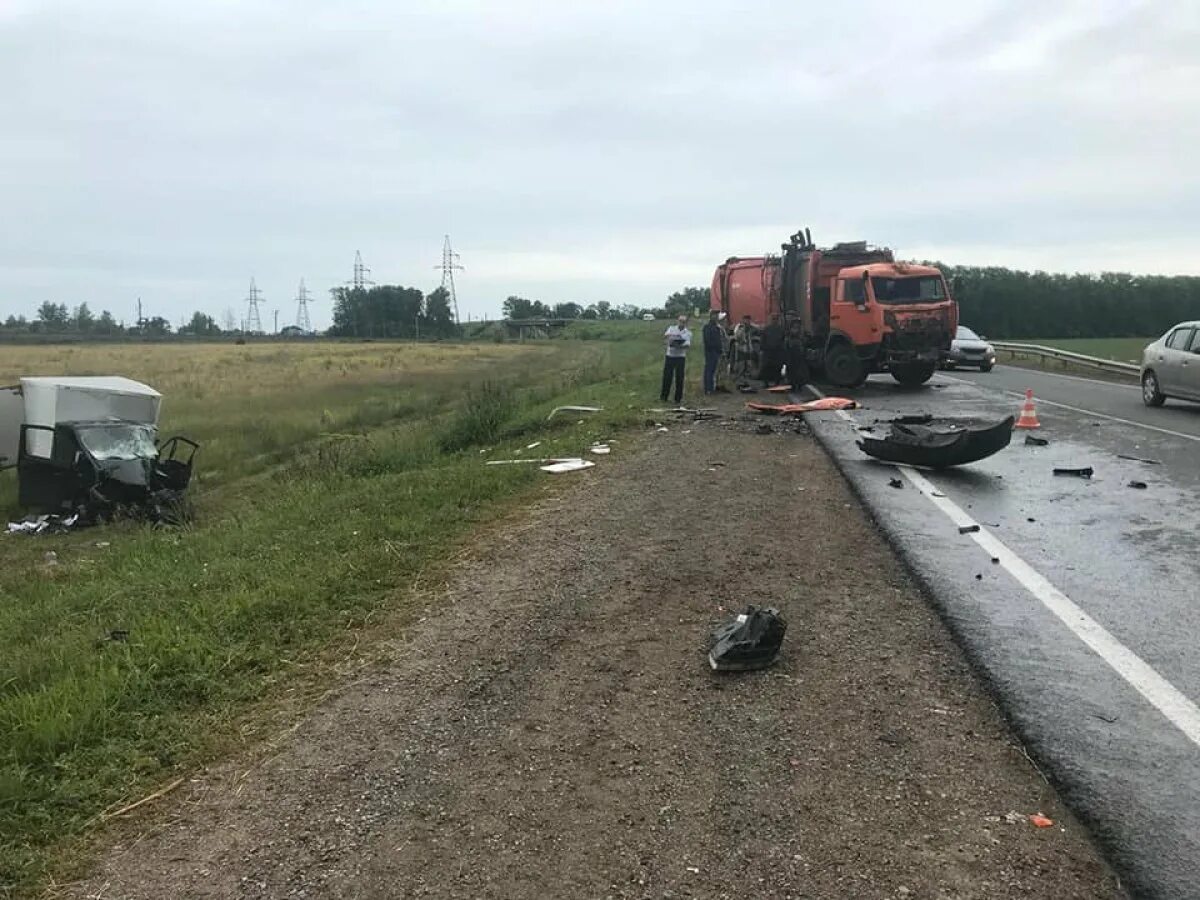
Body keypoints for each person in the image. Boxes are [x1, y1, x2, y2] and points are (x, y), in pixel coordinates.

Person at [660, 314, 691, 404]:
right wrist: (671, 339)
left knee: (679, 378)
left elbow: (688, 344)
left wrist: (680, 345)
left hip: (680, 357)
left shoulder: (687, 333)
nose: (682, 323)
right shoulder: (671, 328)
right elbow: (665, 337)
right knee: (667, 377)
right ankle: (664, 397)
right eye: (680, 321)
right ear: (678, 321)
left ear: (686, 323)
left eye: (684, 321)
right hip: (670, 355)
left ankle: (678, 399)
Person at [702, 310, 724, 394]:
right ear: (711, 316)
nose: (716, 317)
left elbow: (719, 340)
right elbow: (707, 341)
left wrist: (720, 349)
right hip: (710, 352)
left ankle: (711, 388)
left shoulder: (716, 327)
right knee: (709, 370)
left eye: (717, 315)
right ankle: (708, 389)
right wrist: (714, 348)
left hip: (716, 351)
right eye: (715, 315)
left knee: (713, 370)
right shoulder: (707, 327)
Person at [759, 313, 786, 385]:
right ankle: (766, 383)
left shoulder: (781, 329)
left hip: (776, 351)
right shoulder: (767, 329)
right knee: (766, 368)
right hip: (769, 351)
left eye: (776, 319)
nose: (774, 321)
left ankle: (776, 383)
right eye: (773, 319)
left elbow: (783, 340)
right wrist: (762, 348)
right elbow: (763, 339)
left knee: (776, 368)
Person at [785, 318, 810, 390]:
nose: (795, 329)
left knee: (799, 372)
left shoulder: (800, 335)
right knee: (792, 372)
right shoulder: (790, 336)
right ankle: (793, 385)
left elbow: (804, 344)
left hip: (798, 355)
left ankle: (798, 385)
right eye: (794, 327)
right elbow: (787, 345)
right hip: (792, 355)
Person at [732, 314, 757, 382]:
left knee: (749, 364)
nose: (747, 322)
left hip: (748, 349)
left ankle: (747, 378)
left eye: (748, 320)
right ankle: (740, 378)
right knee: (741, 365)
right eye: (746, 320)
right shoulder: (740, 327)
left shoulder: (751, 327)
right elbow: (737, 337)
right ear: (743, 320)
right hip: (741, 349)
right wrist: (743, 330)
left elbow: (757, 330)